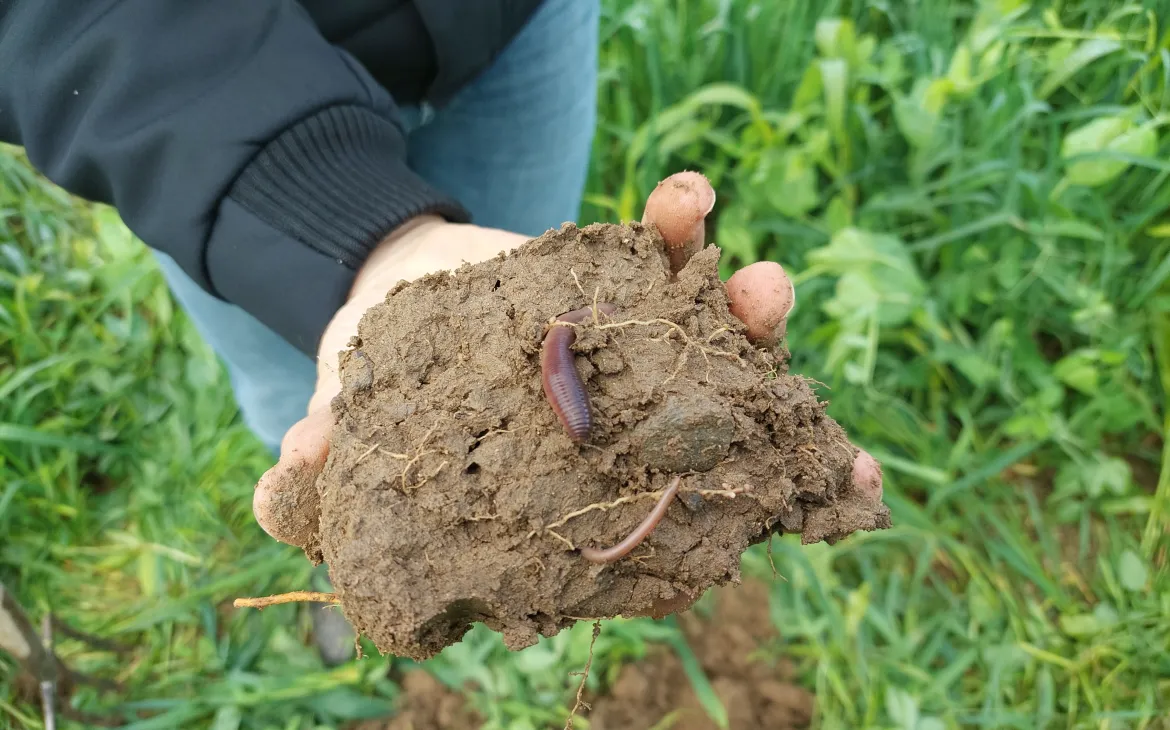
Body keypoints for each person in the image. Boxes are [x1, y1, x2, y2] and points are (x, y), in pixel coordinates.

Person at [1, 0, 802, 662]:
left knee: (513, 264)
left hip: (507, 28)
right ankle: (358, 552)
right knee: (324, 401)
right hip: (179, 102)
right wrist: (280, 187)